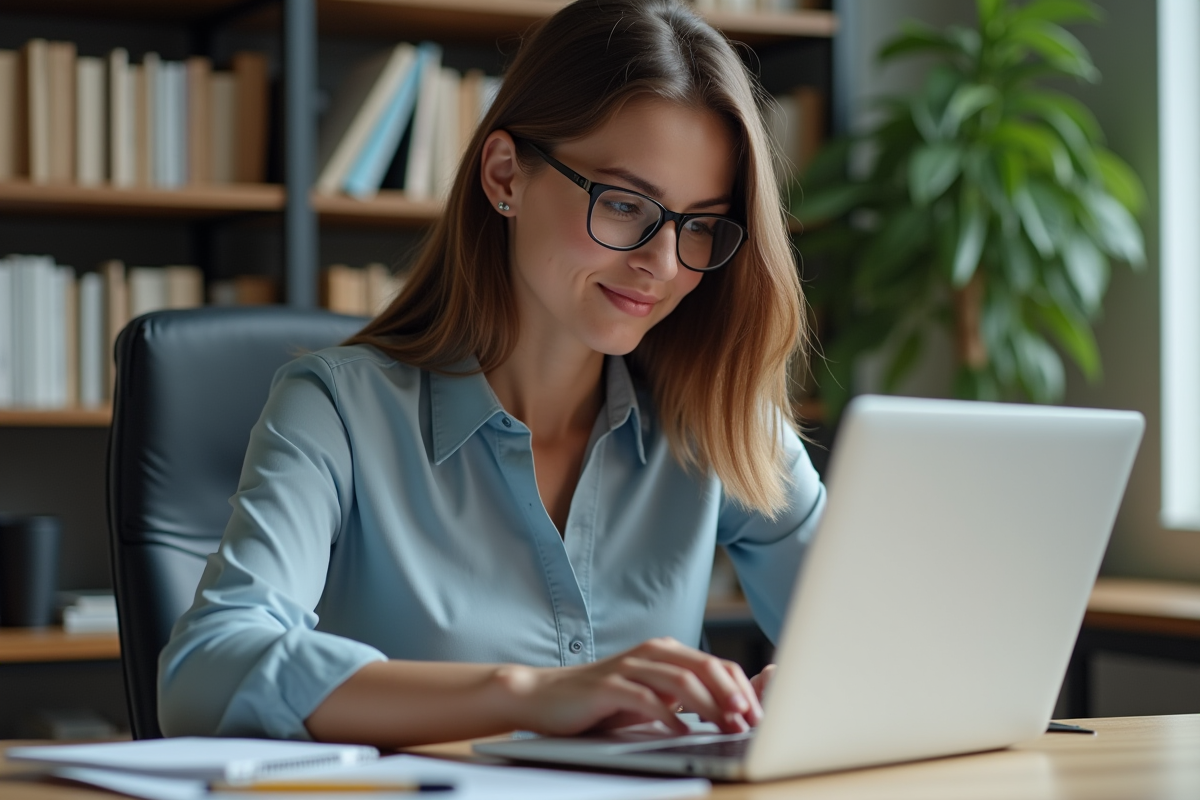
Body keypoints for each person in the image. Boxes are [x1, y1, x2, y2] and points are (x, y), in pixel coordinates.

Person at [159, 0, 826, 747]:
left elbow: (888, 640)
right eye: (625, 204)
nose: (662, 265)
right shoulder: (337, 410)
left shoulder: (719, 420)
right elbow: (205, 674)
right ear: (506, 174)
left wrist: (822, 687)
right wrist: (526, 695)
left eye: (699, 224)